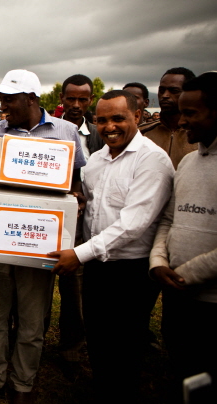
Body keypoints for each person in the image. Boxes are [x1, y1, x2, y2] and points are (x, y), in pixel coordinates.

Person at [49, 90, 174, 404]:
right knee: (100, 338)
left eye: (118, 118)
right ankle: (105, 390)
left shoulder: (152, 160)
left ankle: (121, 392)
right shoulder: (97, 159)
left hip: (131, 269)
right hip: (97, 265)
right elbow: (90, 204)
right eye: (102, 120)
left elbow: (134, 223)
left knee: (126, 344)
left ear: (137, 116)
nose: (109, 126)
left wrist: (79, 253)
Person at [0, 69, 86, 404]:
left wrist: (73, 207)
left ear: (33, 99)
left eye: (10, 97)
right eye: (1, 97)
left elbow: (75, 185)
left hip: (41, 241)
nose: (2, 104)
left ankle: (23, 383)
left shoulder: (66, 132)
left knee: (32, 320)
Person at [150, 72, 217, 402]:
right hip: (177, 296)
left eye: (191, 113)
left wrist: (185, 275)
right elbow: (169, 218)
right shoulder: (190, 161)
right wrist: (159, 261)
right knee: (181, 371)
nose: (182, 120)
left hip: (210, 302)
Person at [55, 74, 104, 375]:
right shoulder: (52, 131)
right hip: (49, 220)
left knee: (76, 289)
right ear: (61, 97)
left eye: (82, 99)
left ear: (90, 100)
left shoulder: (99, 135)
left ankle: (71, 351)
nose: (75, 105)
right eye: (70, 98)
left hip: (85, 223)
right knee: (43, 285)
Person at [143, 67, 198, 168]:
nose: (165, 95)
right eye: (162, 90)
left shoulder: (201, 136)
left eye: (174, 91)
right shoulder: (142, 133)